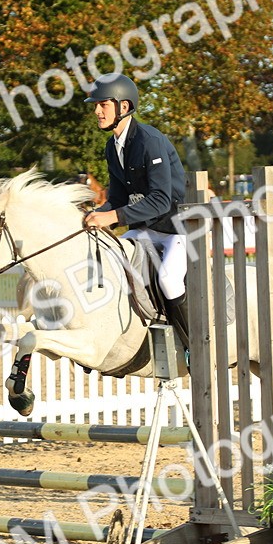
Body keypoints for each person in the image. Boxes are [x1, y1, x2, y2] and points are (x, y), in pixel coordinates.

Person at [82, 73, 190, 348]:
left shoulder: (149, 141)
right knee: (112, 266)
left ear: (124, 107)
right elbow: (118, 198)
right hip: (143, 230)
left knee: (168, 280)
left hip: (176, 229)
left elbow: (160, 200)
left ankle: (193, 347)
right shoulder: (112, 146)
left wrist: (113, 217)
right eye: (96, 105)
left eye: (103, 104)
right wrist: (97, 215)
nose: (96, 111)